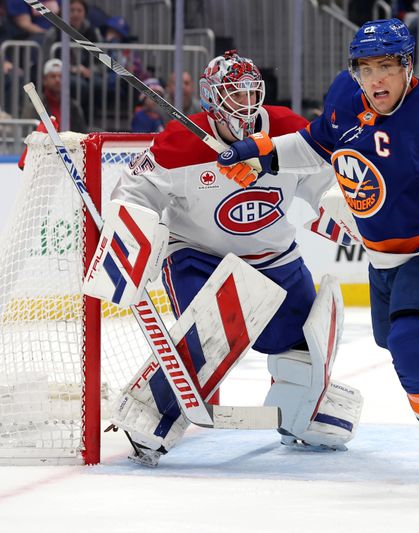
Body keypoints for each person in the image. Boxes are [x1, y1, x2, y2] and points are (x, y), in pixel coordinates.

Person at [216, 19, 419, 506]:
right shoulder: (347, 95)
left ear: (408, 66)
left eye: (387, 66)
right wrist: (263, 153)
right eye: (366, 68)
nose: (377, 80)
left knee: (412, 343)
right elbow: (320, 140)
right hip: (381, 257)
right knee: (413, 353)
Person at [106, 50, 362, 466]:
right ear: (210, 99)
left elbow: (328, 184)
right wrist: (134, 230)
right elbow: (135, 189)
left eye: (250, 94)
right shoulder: (180, 140)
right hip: (199, 255)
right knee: (208, 332)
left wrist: (349, 212)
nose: (245, 106)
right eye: (233, 96)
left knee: (301, 341)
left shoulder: (288, 132)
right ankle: (152, 412)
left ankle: (301, 409)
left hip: (276, 257)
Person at [20, 58, 87, 133]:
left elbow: (82, 134)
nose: (57, 80)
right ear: (45, 80)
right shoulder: (34, 108)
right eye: (53, 76)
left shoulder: (74, 107)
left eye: (61, 76)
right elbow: (27, 134)